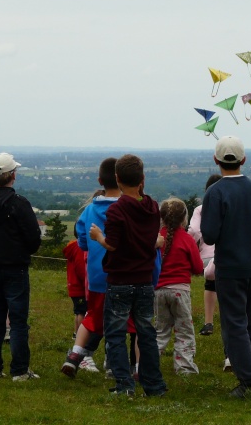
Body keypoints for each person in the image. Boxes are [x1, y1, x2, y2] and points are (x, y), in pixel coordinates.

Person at [200, 136, 251, 398]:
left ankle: (249, 382)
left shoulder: (215, 192)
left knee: (234, 324)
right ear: (243, 160)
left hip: (230, 266)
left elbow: (208, 235)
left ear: (216, 160)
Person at [88, 154, 167, 397]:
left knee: (115, 333)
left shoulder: (117, 210)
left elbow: (112, 245)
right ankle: (154, 386)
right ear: (142, 179)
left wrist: (98, 237)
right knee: (146, 333)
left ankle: (124, 386)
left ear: (117, 179)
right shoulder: (152, 207)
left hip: (120, 279)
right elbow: (149, 238)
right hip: (144, 279)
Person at [0, 153, 42, 381]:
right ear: (13, 175)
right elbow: (33, 237)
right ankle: (20, 371)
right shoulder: (19, 203)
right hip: (16, 267)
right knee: (19, 321)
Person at [61, 159, 120, 378]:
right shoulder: (127, 208)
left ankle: (75, 354)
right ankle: (113, 365)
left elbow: (82, 242)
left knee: (92, 315)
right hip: (121, 275)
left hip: (95, 275)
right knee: (119, 320)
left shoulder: (89, 211)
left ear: (99, 181)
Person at [154, 197, 204, 374]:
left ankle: (149, 364)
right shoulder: (187, 239)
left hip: (158, 291)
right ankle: (184, 367)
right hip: (180, 291)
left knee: (160, 330)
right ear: (184, 218)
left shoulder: (157, 238)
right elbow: (198, 268)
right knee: (184, 330)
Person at [187, 173, 223, 336]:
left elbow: (193, 230)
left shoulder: (200, 210)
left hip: (207, 258)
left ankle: (208, 322)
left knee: (210, 285)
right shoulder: (230, 206)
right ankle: (228, 320)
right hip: (228, 257)